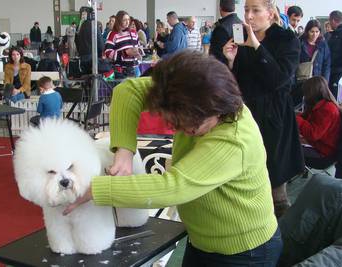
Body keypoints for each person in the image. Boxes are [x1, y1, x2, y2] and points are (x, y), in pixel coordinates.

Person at [63, 51, 281, 266]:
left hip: (245, 252)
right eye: (175, 123)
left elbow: (174, 187)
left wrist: (96, 189)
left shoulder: (233, 140)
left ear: (215, 109)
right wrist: (124, 150)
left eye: (191, 125)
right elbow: (127, 91)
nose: (183, 130)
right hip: (203, 241)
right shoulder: (184, 93)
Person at [223, 0, 304, 217]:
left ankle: (282, 238)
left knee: (274, 184)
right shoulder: (243, 40)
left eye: (255, 10)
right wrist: (230, 62)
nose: (248, 16)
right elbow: (236, 83)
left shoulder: (287, 39)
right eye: (246, 10)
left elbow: (278, 80)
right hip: (246, 115)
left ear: (270, 14)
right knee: (247, 179)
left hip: (273, 117)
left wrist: (257, 47)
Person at [296, 76, 341, 169]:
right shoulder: (321, 105)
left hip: (324, 154)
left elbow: (313, 134)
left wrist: (296, 119)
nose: (305, 96)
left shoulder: (328, 109)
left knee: (286, 149)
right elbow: (305, 117)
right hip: (319, 147)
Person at [104, 10, 143, 78]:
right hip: (121, 71)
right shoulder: (113, 34)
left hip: (135, 68)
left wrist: (139, 52)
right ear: (119, 21)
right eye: (124, 20)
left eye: (128, 19)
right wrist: (125, 53)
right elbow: (108, 52)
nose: (127, 22)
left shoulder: (134, 33)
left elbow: (138, 46)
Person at [327, 10, 342, 98]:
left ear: (332, 20)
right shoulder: (335, 34)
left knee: (334, 97)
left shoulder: (338, 35)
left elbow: (334, 54)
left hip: (336, 72)